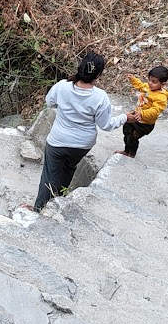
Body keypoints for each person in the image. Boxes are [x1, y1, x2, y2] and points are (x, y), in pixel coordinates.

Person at [26, 52, 124, 212]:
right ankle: (58, 203)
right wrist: (124, 118)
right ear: (99, 74)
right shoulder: (100, 97)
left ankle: (39, 209)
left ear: (80, 67)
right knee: (69, 169)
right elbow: (105, 125)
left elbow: (50, 102)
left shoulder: (62, 86)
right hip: (81, 145)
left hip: (58, 141)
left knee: (49, 177)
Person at [117, 65, 168, 158]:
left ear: (163, 84)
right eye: (149, 80)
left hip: (145, 123)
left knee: (134, 137)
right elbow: (141, 86)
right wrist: (133, 79)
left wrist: (142, 114)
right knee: (127, 131)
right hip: (136, 116)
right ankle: (126, 150)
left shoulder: (161, 97)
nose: (150, 83)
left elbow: (155, 111)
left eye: (154, 82)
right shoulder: (148, 87)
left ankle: (131, 154)